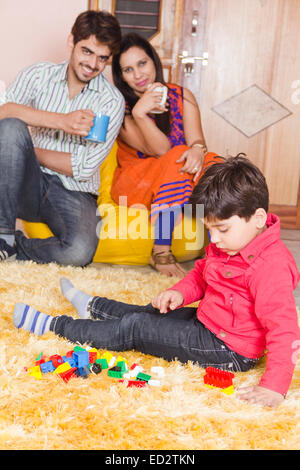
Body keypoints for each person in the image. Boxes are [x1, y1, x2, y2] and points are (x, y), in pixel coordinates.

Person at [13, 155, 300, 408]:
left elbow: (284, 330)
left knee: (137, 329)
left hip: (228, 350)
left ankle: (54, 325)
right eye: (209, 229)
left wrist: (274, 386)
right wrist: (179, 292)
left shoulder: (270, 266)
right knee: (149, 312)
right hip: (209, 323)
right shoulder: (232, 243)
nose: (214, 239)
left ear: (258, 218)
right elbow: (202, 273)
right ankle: (92, 305)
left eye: (222, 229)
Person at [0, 10, 124, 266]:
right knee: (11, 128)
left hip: (75, 193)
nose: (92, 64)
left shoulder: (111, 101)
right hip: (28, 183)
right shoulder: (39, 75)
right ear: (71, 42)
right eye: (86, 51)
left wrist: (27, 153)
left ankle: (17, 247)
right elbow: (4, 114)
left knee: (79, 252)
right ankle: (3, 237)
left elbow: (84, 167)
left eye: (102, 58)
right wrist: (61, 122)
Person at [110, 33, 221, 277]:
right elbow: (161, 151)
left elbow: (198, 140)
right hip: (136, 181)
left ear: (154, 62)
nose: (138, 75)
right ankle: (161, 250)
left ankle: (223, 248)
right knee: (178, 154)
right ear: (121, 76)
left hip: (178, 174)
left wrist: (198, 150)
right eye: (128, 70)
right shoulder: (121, 108)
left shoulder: (182, 96)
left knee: (219, 165)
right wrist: (140, 113)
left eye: (142, 63)